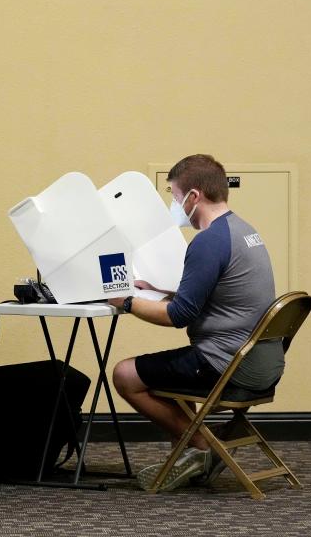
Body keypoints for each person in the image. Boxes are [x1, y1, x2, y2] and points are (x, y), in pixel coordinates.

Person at [109, 154, 281, 491]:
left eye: (174, 195)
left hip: (227, 367)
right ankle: (194, 449)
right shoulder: (243, 231)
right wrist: (161, 290)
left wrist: (126, 301)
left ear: (194, 196)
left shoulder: (208, 242)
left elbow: (178, 316)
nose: (173, 204)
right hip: (263, 363)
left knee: (125, 375)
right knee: (168, 373)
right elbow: (218, 292)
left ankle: (203, 446)